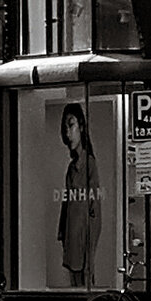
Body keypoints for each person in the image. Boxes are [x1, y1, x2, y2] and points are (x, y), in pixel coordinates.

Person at [58, 102, 101, 288]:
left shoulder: (89, 165)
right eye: (66, 127)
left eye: (72, 125)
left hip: (82, 242)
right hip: (71, 239)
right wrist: (62, 233)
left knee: (84, 285)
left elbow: (95, 212)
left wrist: (89, 254)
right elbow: (66, 204)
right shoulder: (71, 168)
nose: (68, 132)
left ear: (81, 127)